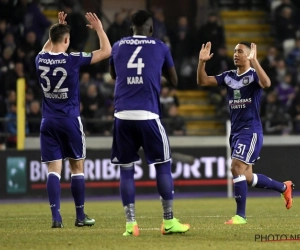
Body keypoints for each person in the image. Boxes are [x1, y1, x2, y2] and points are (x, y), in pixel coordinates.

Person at [109, 10, 190, 236]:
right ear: (151, 28)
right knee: (163, 164)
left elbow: (114, 74)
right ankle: (169, 221)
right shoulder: (160, 46)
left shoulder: (117, 46)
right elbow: (174, 80)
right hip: (148, 115)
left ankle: (130, 225)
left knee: (126, 170)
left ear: (131, 27)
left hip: (122, 115)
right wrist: (154, 70)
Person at [197, 41, 294, 224]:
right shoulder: (229, 76)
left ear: (248, 55)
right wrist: (202, 62)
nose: (236, 54)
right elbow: (202, 81)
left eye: (240, 51)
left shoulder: (253, 75)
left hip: (251, 131)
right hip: (236, 132)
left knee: (236, 167)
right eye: (234, 51)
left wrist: (255, 62)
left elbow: (266, 83)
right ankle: (284, 187)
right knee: (247, 177)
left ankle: (240, 216)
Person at [35, 11, 111, 228]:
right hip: (69, 120)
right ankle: (79, 216)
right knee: (77, 168)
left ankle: (56, 217)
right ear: (67, 40)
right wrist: (99, 29)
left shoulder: (40, 59)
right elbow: (107, 51)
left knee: (53, 170)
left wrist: (57, 30)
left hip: (47, 121)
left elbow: (46, 48)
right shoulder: (73, 59)